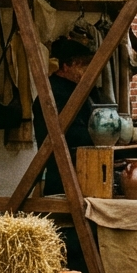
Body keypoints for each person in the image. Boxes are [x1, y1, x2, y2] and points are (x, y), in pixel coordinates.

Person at [34, 38, 96, 198]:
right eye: (82, 65)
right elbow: (68, 134)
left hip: (85, 167)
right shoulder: (53, 92)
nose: (86, 71)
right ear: (67, 66)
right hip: (63, 171)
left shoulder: (82, 89)